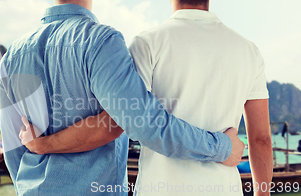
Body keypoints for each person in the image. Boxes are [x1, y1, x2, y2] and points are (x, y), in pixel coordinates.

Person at [20, 0, 272, 195]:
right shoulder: (249, 51)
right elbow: (261, 140)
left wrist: (42, 145)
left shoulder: (148, 43)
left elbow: (121, 121)